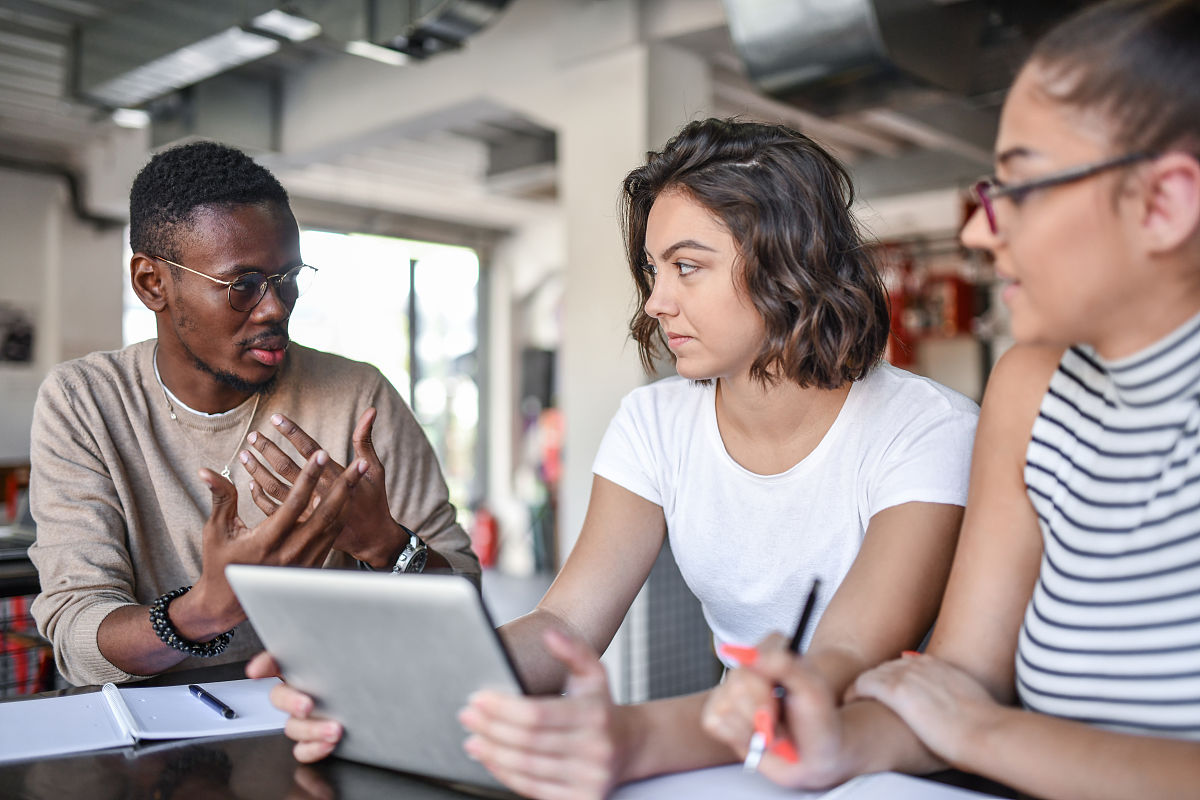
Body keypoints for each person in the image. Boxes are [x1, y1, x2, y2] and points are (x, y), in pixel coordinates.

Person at [253, 117, 979, 798]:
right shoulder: (654, 422)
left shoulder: (925, 429)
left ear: (790, 263)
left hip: (886, 764)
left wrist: (634, 734)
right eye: (652, 268)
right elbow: (563, 624)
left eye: (687, 267)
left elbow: (841, 657)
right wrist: (394, 679)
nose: (657, 301)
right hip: (732, 761)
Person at [701, 2, 1200, 798]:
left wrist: (984, 733)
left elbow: (966, 714)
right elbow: (958, 677)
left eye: (1022, 185)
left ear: (1164, 203)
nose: (977, 232)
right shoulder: (1036, 392)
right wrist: (835, 740)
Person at [28, 141, 480, 687]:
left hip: (324, 715)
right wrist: (204, 611)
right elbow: (78, 635)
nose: (275, 307)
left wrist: (385, 543)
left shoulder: (357, 396)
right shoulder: (85, 401)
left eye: (287, 276)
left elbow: (465, 598)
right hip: (148, 733)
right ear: (153, 283)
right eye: (241, 285)